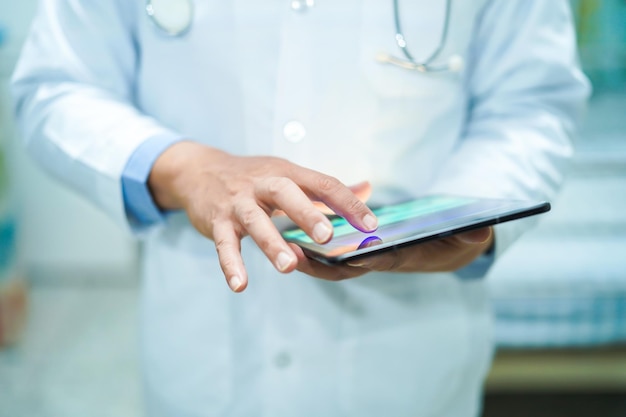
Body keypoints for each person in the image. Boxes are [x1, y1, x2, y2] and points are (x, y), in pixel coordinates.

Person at [11, 1, 589, 416]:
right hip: (204, 350)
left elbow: (531, 102)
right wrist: (187, 169)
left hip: (410, 356)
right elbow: (55, 86)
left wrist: (467, 217)